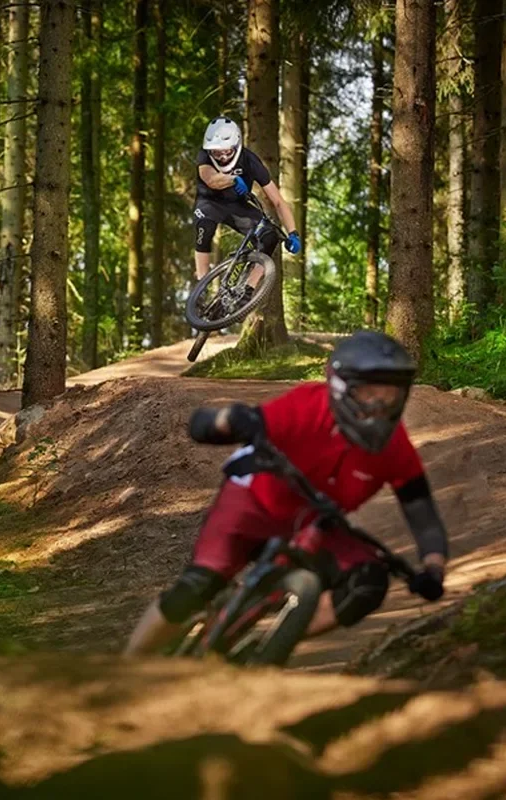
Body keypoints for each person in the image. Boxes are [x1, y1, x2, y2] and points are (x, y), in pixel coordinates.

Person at [125, 330, 449, 657]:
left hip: (314, 522)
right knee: (196, 587)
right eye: (369, 393)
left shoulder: (395, 448)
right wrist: (227, 420)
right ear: (341, 389)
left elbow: (421, 511)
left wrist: (433, 568)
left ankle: (268, 644)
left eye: (390, 395)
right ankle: (126, 667)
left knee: (367, 582)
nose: (380, 406)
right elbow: (214, 425)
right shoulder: (308, 406)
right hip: (253, 503)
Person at [193, 116, 301, 299]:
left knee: (270, 235)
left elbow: (278, 201)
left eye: (226, 152)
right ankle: (201, 288)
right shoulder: (204, 156)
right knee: (204, 226)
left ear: (236, 146)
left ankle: (248, 289)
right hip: (210, 202)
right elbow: (210, 179)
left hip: (238, 205)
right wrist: (232, 179)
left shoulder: (251, 161)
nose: (223, 157)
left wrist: (293, 232)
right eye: (217, 153)